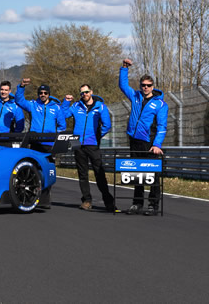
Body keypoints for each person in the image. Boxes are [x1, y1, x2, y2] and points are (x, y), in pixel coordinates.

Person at [120, 58, 168, 216]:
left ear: (153, 87)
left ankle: (153, 205)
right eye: (143, 85)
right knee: (136, 173)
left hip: (150, 142)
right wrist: (124, 68)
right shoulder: (135, 96)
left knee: (153, 175)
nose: (145, 88)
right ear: (140, 86)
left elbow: (162, 127)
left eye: (148, 85)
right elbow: (123, 85)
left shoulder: (160, 104)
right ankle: (137, 203)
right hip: (134, 140)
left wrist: (157, 145)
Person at [61, 84, 115, 212]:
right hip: (77, 144)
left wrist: (97, 136)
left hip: (93, 144)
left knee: (99, 173)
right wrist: (65, 102)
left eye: (86, 92)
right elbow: (63, 115)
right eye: (82, 93)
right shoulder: (75, 106)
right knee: (82, 174)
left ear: (91, 91)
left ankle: (109, 201)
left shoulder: (100, 106)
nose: (84, 94)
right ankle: (86, 200)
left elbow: (107, 125)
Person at [13, 78, 65, 151]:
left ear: (49, 94)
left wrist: (55, 137)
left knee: (49, 162)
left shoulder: (57, 108)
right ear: (38, 94)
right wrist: (21, 87)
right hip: (35, 142)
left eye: (45, 93)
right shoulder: (33, 105)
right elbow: (19, 100)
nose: (43, 94)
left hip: (49, 143)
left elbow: (62, 126)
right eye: (41, 93)